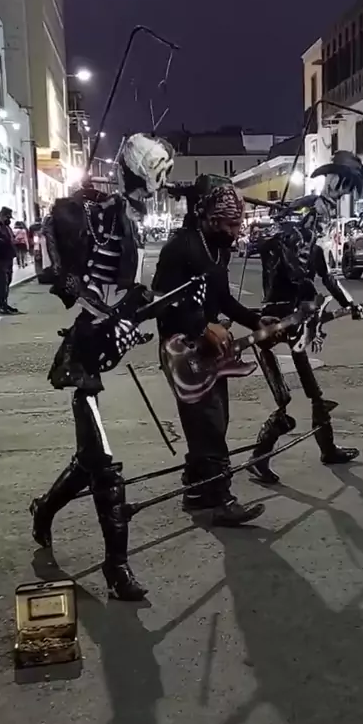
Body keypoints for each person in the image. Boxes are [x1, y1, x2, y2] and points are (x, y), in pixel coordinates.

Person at [29, 133, 199, 602]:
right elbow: (74, 282)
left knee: (88, 461)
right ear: (137, 173)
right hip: (85, 353)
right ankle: (116, 566)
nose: (159, 185)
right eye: (155, 175)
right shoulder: (100, 215)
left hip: (105, 341)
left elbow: (130, 295)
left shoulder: (130, 218)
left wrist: (150, 307)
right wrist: (109, 314)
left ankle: (44, 510)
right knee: (105, 466)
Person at [249, 151, 363, 485]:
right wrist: (304, 288)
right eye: (316, 219)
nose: (321, 224)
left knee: (315, 394)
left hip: (297, 323)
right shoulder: (285, 241)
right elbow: (294, 271)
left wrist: (351, 304)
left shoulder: (315, 245)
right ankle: (258, 457)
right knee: (284, 399)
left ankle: (327, 448)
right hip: (274, 322)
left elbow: (329, 277)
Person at [152, 176, 268, 527]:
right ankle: (220, 500)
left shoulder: (219, 248)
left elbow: (224, 300)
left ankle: (197, 489)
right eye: (229, 225)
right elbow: (161, 302)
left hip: (210, 350)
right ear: (208, 218)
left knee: (213, 422)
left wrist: (256, 321)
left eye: (237, 224)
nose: (235, 232)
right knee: (208, 426)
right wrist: (202, 327)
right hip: (180, 351)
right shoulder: (179, 248)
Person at [0, 206, 18, 315]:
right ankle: (2, 306)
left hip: (7, 258)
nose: (9, 220)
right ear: (2, 215)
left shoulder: (6, 227)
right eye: (8, 217)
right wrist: (6, 242)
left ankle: (5, 304)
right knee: (2, 282)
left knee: (7, 281)